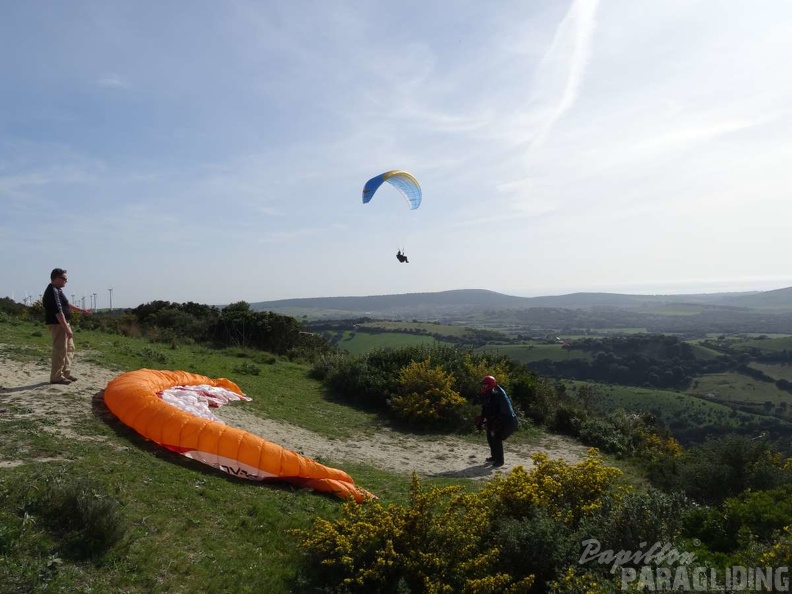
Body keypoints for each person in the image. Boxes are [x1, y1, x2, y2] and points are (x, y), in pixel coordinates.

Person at [42, 268, 91, 385]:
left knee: (69, 349)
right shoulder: (52, 291)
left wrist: (82, 310)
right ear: (56, 278)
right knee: (60, 350)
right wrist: (67, 328)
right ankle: (56, 377)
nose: (66, 281)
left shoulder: (58, 290)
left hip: (63, 324)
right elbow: (58, 312)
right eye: (64, 278)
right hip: (58, 325)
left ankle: (65, 373)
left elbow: (66, 304)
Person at [475, 375, 518, 467]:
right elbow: (485, 409)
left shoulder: (496, 395)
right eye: (483, 385)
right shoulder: (489, 394)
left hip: (507, 421)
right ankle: (494, 457)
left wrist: (487, 421)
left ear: (490, 385)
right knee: (490, 436)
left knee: (496, 438)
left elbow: (493, 411)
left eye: (485, 385)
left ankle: (500, 461)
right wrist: (481, 421)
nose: (483, 387)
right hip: (497, 419)